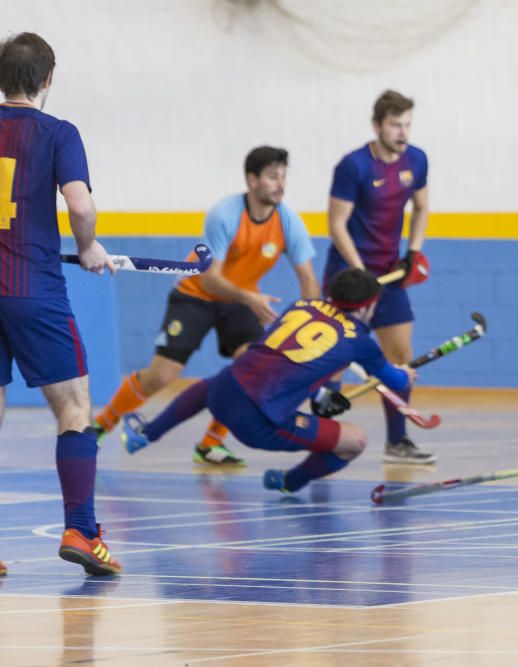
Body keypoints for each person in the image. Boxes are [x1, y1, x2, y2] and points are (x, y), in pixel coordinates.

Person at [93, 146, 320, 465]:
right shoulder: (225, 215)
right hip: (197, 294)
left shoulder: (288, 221)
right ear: (251, 180)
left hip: (240, 300)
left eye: (283, 176)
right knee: (162, 375)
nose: (280, 183)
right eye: (272, 176)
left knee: (250, 371)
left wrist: (315, 321)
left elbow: (309, 280)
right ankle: (100, 425)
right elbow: (210, 279)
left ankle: (210, 443)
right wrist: (250, 298)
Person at [121, 268, 416, 493]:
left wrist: (320, 398)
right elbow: (396, 381)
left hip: (223, 393)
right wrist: (406, 373)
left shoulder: (302, 307)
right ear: (367, 307)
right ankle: (289, 482)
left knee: (214, 383)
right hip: (258, 423)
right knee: (355, 441)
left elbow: (293, 361)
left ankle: (147, 433)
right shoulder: (361, 341)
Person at [0, 33, 121, 575]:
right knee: (74, 408)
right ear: (47, 80)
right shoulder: (58, 133)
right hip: (33, 290)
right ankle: (81, 527)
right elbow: (79, 202)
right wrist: (88, 245)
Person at [321, 89, 433, 464]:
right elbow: (336, 225)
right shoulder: (354, 166)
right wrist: (360, 272)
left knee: (401, 357)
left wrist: (413, 251)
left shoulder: (416, 161)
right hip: (349, 275)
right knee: (335, 355)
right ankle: (321, 432)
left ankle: (397, 441)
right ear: (377, 125)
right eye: (395, 125)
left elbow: (421, 207)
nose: (402, 132)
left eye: (407, 125)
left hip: (390, 274)